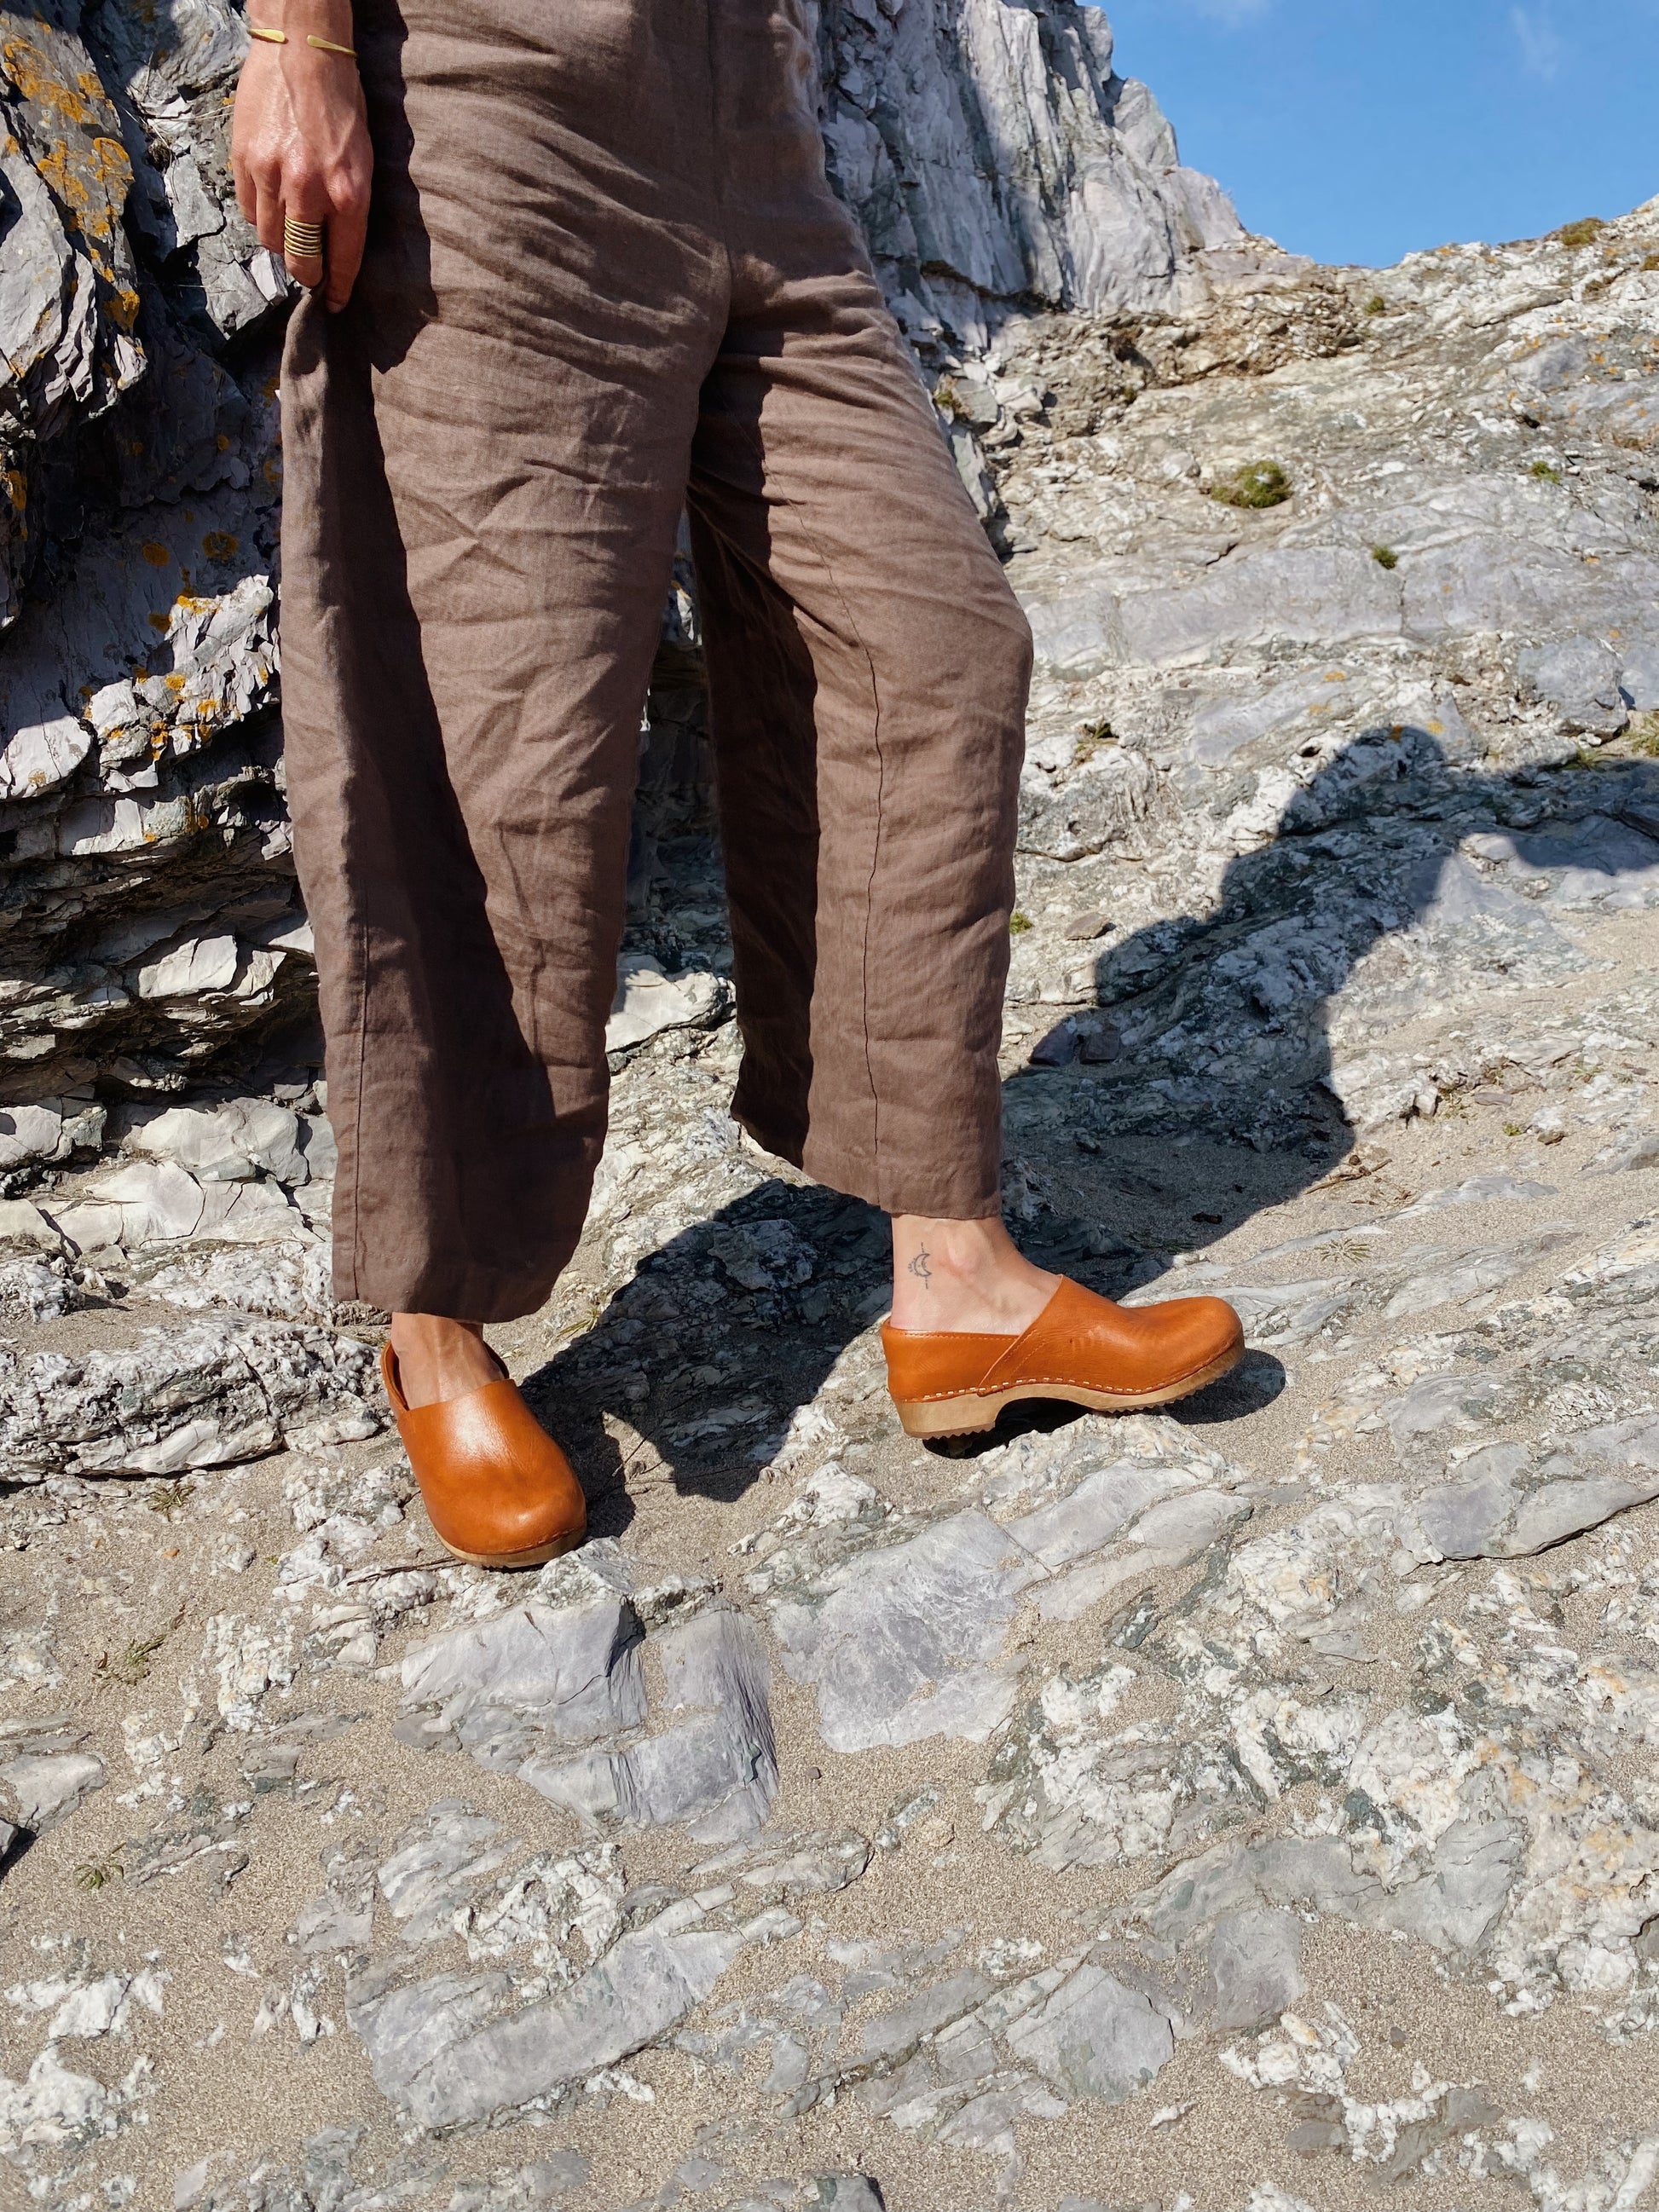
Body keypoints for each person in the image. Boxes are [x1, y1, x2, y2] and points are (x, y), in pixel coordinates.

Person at [231, 0, 1245, 1570]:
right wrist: (297, 37)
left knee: (933, 646)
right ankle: (434, 1331)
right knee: (499, 731)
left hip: (757, 127)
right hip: (500, 102)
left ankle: (957, 1277)